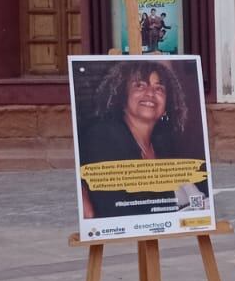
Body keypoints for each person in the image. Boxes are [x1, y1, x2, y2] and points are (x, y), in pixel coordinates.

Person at [77, 59, 209, 219]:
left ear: (167, 104)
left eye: (159, 88)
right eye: (140, 85)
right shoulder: (103, 137)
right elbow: (114, 206)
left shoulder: (162, 144)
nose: (150, 93)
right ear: (122, 95)